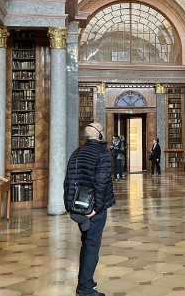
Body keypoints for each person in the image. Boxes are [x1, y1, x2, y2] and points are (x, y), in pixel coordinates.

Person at [64, 123, 115, 296]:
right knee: (92, 245)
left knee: (86, 243)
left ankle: (86, 281)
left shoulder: (77, 153)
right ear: (99, 135)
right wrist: (97, 208)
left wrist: (69, 206)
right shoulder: (102, 153)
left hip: (78, 208)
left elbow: (68, 180)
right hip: (93, 209)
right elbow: (102, 183)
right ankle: (85, 289)